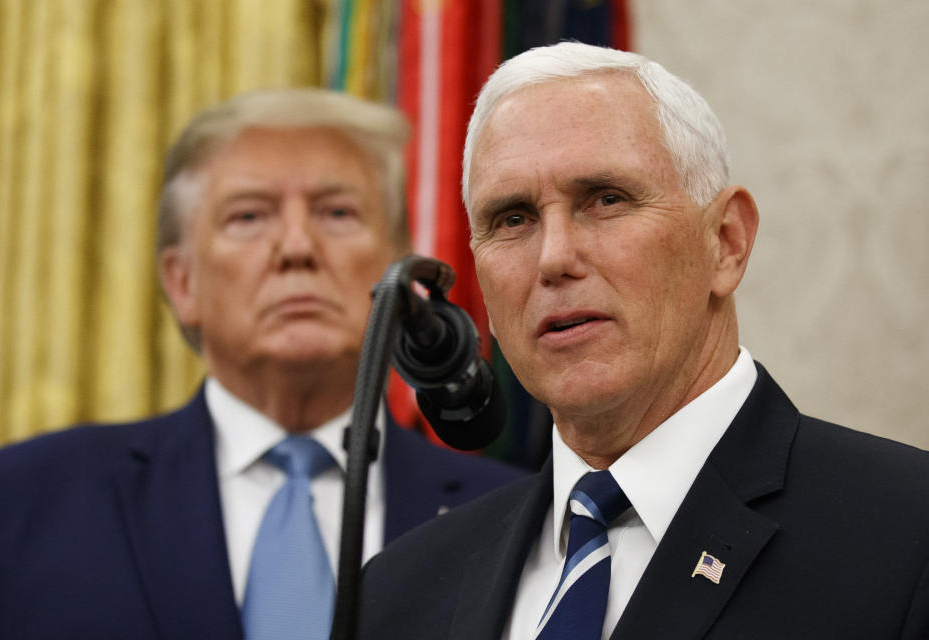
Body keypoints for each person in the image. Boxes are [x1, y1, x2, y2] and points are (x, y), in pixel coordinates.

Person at [357, 42, 929, 640]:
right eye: (513, 219)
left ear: (726, 243)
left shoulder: (907, 536)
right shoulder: (401, 591)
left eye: (606, 200)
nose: (553, 258)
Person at [0, 88, 524, 640]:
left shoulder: (518, 521)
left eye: (337, 212)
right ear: (182, 282)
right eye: (249, 216)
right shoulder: (10, 508)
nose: (296, 245)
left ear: (400, 269)